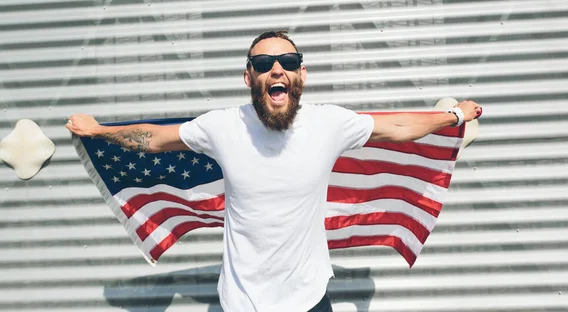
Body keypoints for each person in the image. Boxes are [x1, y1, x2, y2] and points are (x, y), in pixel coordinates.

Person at [66, 30, 482, 312]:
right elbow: (155, 139)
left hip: (309, 299)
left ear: (302, 74)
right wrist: (100, 131)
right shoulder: (222, 125)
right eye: (264, 62)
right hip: (241, 302)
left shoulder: (328, 123)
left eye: (287, 60)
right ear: (249, 76)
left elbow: (398, 127)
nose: (276, 68)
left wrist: (452, 116)